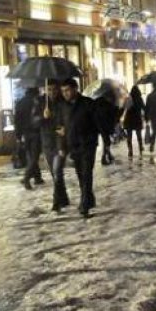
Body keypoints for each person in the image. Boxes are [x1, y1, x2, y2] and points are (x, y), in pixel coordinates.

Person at [57, 78, 100, 218]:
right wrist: (62, 145)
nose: (65, 94)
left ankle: (84, 205)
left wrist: (94, 138)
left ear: (75, 89)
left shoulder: (88, 104)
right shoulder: (63, 107)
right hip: (73, 146)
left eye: (68, 90)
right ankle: (89, 199)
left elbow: (97, 124)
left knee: (87, 174)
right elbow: (61, 128)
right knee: (81, 175)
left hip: (87, 145)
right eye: (63, 91)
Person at [34, 82, 69, 211]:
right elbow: (34, 122)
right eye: (49, 89)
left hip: (60, 142)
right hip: (47, 142)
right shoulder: (40, 102)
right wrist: (42, 117)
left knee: (57, 171)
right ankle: (64, 198)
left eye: (54, 89)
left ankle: (56, 201)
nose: (52, 92)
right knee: (55, 174)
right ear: (44, 89)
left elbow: (68, 119)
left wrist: (66, 129)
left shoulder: (63, 102)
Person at [15, 87, 44, 190]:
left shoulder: (20, 102)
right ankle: (26, 178)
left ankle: (37, 177)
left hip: (25, 134)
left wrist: (18, 136)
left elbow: (17, 121)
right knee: (34, 157)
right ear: (36, 92)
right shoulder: (38, 101)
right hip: (36, 133)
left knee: (31, 156)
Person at [95, 92, 119, 165]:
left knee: (106, 141)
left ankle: (109, 155)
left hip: (98, 125)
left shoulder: (97, 103)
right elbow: (113, 115)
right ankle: (104, 158)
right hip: (106, 126)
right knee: (107, 142)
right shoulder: (108, 105)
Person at [122, 85, 146, 158]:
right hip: (137, 119)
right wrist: (146, 116)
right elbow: (144, 108)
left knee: (129, 137)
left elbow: (124, 108)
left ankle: (130, 151)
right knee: (139, 136)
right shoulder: (139, 99)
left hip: (129, 119)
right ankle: (140, 148)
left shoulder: (128, 99)